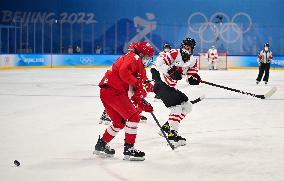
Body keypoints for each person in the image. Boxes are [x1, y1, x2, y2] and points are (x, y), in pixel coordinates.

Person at [94, 42, 154, 161]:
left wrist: (142, 104)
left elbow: (135, 92)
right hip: (114, 92)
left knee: (119, 122)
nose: (147, 60)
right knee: (134, 117)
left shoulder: (133, 59)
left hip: (106, 92)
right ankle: (129, 149)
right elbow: (124, 73)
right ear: (141, 54)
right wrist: (138, 85)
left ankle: (101, 145)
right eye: (146, 57)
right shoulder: (134, 57)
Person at [150, 37, 201, 148]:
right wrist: (170, 71)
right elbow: (157, 64)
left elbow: (191, 75)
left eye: (188, 47)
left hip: (172, 87)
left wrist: (193, 78)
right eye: (184, 46)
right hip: (162, 84)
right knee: (176, 109)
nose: (185, 48)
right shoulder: (173, 53)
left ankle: (167, 127)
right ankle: (173, 137)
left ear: (192, 49)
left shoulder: (193, 60)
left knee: (187, 107)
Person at [99, 42, 148, 125]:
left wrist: (144, 83)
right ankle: (106, 114)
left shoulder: (134, 59)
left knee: (134, 95)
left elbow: (141, 75)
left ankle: (136, 112)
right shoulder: (130, 58)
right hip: (116, 84)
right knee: (125, 96)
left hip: (120, 83)